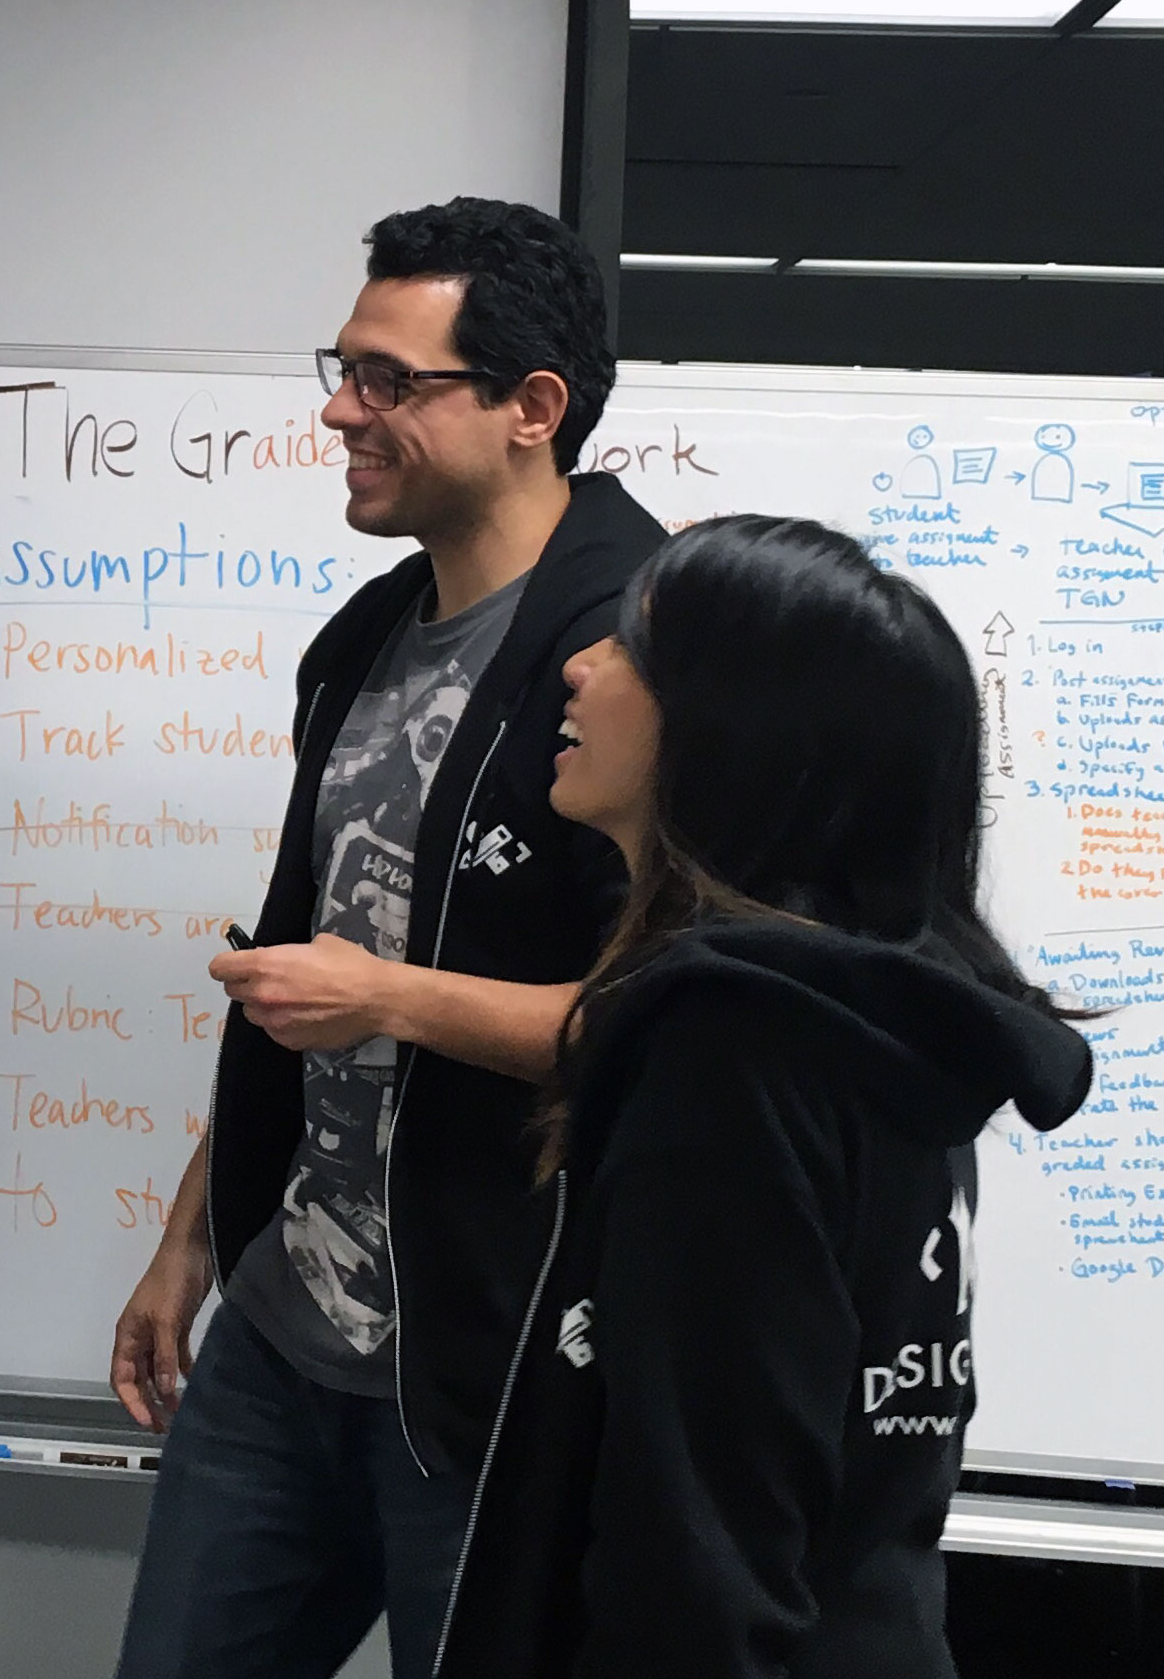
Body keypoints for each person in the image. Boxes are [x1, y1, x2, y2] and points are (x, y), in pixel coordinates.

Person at [111, 198, 668, 1678]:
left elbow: (669, 1025)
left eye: (386, 381)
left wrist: (397, 1000)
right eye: (341, 366)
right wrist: (190, 1243)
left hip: (496, 1370)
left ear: (529, 408)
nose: (338, 409)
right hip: (283, 1342)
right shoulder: (360, 637)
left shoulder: (640, 659)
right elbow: (300, 965)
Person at [433, 516, 1092, 1678]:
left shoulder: (733, 1053)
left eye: (632, 648)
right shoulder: (886, 1022)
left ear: (728, 727)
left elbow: (698, 1554)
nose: (580, 667)